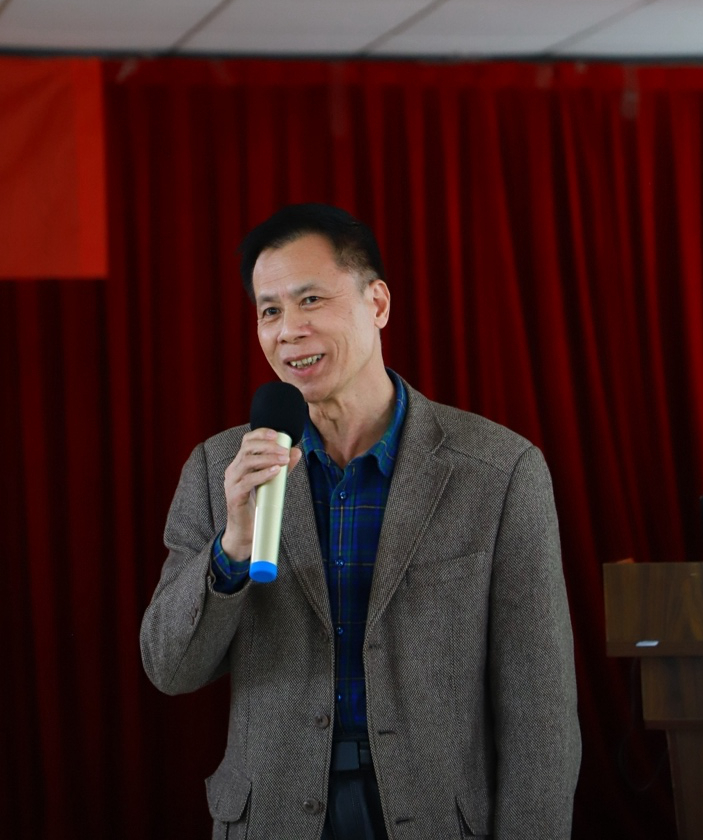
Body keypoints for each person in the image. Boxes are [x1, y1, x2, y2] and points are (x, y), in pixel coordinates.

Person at [140, 203, 581, 840]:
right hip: (271, 818)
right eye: (269, 311)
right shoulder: (220, 469)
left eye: (310, 300)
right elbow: (170, 668)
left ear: (377, 303)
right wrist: (232, 546)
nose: (288, 330)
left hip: (437, 819)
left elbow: (540, 708)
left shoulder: (499, 470)